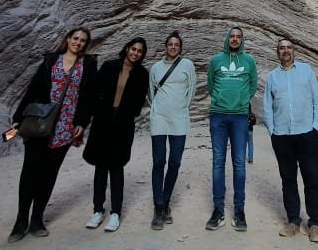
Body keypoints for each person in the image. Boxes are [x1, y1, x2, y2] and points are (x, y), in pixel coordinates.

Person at [8, 27, 96, 243]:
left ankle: (37, 219)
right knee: (29, 172)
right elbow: (33, 89)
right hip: (40, 124)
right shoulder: (51, 60)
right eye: (75, 38)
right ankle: (20, 221)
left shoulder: (88, 65)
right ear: (68, 39)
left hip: (65, 127)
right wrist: (18, 118)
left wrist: (82, 122)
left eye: (83, 40)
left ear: (86, 44)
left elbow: (88, 97)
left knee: (49, 174)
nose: (78, 42)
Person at [83, 37, 149, 233]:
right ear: (127, 48)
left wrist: (125, 113)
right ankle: (97, 210)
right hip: (102, 122)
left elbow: (139, 102)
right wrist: (98, 110)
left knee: (117, 167)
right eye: (133, 49)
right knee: (101, 167)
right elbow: (95, 89)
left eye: (139, 51)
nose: (135, 53)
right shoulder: (109, 66)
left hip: (123, 124)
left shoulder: (142, 74)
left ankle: (115, 213)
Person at [263, 38, 318, 243]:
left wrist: (315, 126)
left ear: (294, 51)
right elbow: (267, 105)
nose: (285, 51)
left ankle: (314, 224)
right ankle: (293, 221)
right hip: (282, 135)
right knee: (288, 180)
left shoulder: (306, 71)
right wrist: (272, 130)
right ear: (277, 52)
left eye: (289, 47)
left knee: (311, 178)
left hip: (306, 133)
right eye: (282, 48)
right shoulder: (273, 77)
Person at [205, 26, 258, 232]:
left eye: (238, 37)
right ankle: (218, 210)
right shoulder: (216, 60)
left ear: (242, 40)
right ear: (227, 39)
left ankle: (239, 211)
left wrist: (242, 101)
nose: (235, 39)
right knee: (218, 162)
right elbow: (211, 85)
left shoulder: (249, 61)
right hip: (218, 115)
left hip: (239, 117)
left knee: (239, 163)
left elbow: (252, 85)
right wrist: (220, 99)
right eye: (232, 36)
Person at [149, 32, 197, 230]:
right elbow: (151, 93)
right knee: (158, 162)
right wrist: (157, 109)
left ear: (180, 47)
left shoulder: (187, 65)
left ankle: (166, 200)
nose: (173, 47)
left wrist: (182, 108)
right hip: (159, 118)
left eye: (177, 44)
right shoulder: (155, 68)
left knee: (175, 162)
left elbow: (192, 89)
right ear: (166, 46)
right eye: (170, 44)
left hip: (179, 118)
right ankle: (158, 206)